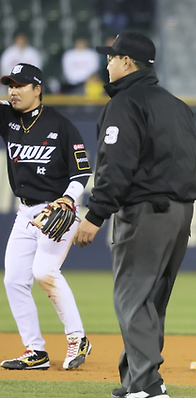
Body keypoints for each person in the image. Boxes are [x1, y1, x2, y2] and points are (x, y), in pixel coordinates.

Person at [72, 31, 196, 398]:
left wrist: (95, 214)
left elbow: (116, 164)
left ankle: (147, 384)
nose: (107, 63)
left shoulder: (125, 103)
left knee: (131, 296)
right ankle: (133, 380)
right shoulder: (178, 105)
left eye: (111, 57)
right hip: (180, 212)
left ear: (127, 62)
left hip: (145, 212)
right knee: (151, 299)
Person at [0, 64, 92, 371]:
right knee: (13, 279)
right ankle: (35, 351)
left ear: (37, 89)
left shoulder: (61, 125)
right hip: (25, 212)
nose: (12, 91)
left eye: (20, 86)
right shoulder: (7, 118)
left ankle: (78, 338)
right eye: (9, 85)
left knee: (44, 271)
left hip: (57, 210)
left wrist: (68, 199)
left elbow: (82, 171)